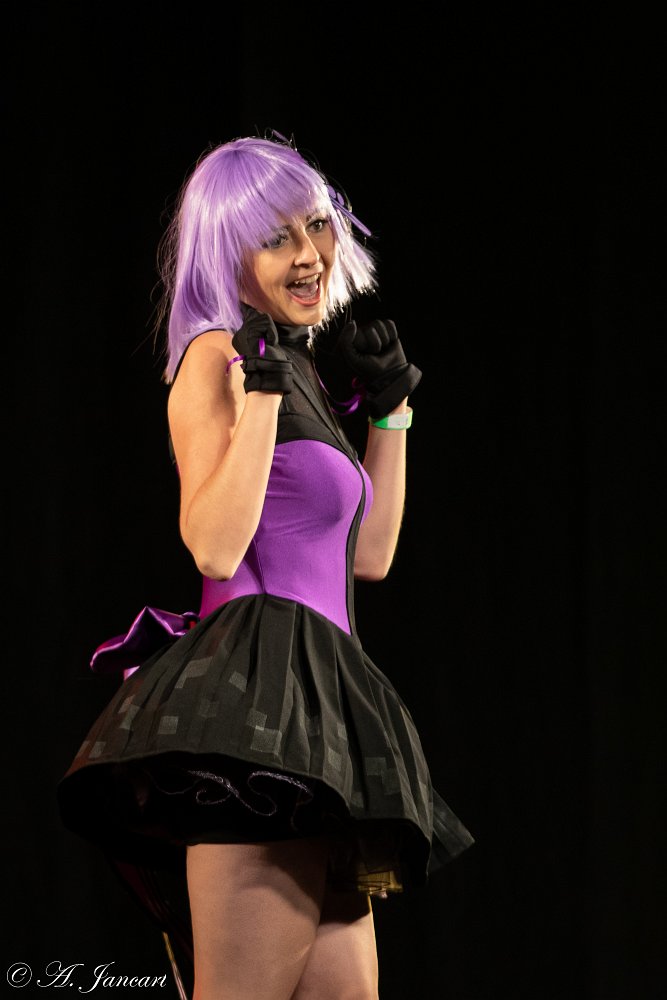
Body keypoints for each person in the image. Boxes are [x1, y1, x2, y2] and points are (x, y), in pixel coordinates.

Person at [58, 131, 474, 1000]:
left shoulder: (292, 367)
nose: (308, 254)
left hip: (319, 709)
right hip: (255, 718)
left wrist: (390, 416)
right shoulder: (215, 357)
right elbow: (212, 544)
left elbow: (367, 557)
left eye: (315, 225)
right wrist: (258, 398)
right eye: (275, 238)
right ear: (227, 255)